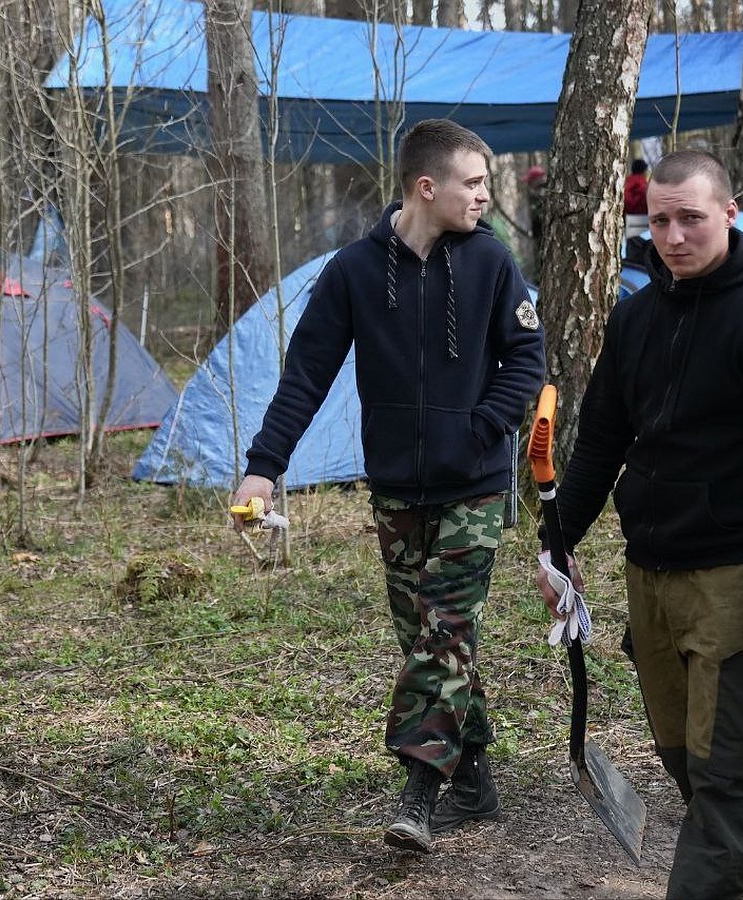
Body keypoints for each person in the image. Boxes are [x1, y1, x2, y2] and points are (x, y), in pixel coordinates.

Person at [231, 118, 546, 854]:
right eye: (473, 183)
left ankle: (420, 794)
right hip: (398, 491)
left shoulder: (492, 263)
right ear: (426, 187)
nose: (484, 197)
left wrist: (480, 428)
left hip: (472, 485)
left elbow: (527, 358)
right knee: (429, 640)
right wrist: (264, 467)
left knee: (443, 632)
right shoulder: (352, 272)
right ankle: (473, 777)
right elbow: (304, 378)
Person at [537, 149, 743, 900]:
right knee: (686, 759)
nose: (673, 237)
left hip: (742, 581)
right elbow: (603, 441)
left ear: (731, 216)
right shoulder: (637, 318)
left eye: (691, 219)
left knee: (728, 775)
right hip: (653, 574)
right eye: (660, 221)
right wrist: (557, 544)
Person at [624, 157, 650, 233]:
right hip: (641, 219)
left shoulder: (627, 181)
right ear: (644, 171)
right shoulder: (642, 184)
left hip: (628, 218)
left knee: (632, 242)